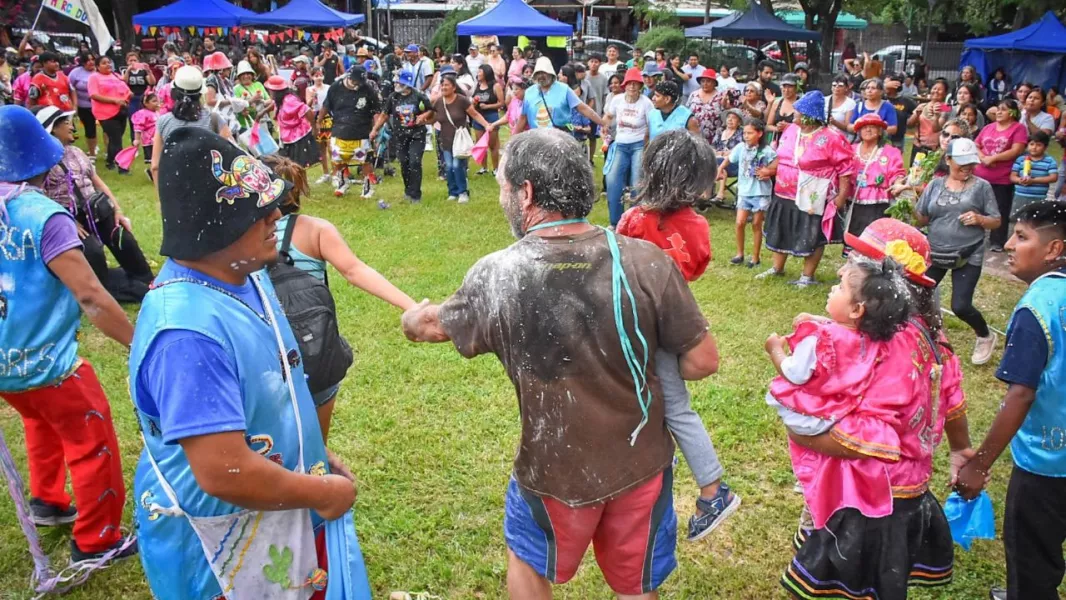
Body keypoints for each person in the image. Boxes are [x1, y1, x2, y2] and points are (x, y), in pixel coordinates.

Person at [401, 127, 721, 599]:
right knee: (637, 586)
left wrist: (412, 318)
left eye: (505, 187)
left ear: (527, 192)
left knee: (529, 565)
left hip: (552, 471)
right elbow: (701, 361)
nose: (503, 197)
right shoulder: (647, 261)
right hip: (642, 466)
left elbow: (430, 327)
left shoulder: (496, 273)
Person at [131, 128, 371, 599]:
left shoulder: (242, 274)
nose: (277, 216)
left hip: (270, 515)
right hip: (219, 548)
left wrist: (311, 458)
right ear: (212, 226)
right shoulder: (186, 336)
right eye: (258, 211)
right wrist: (322, 493)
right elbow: (224, 472)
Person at [783, 218, 971, 600]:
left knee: (857, 582)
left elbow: (878, 437)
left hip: (871, 495)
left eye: (854, 262)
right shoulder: (930, 335)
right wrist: (960, 449)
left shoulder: (892, 347)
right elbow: (952, 397)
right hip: (905, 487)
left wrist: (807, 435)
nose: (840, 268)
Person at [0, 105, 137, 564]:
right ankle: (97, 539)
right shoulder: (45, 216)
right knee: (90, 439)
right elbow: (92, 296)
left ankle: (48, 501)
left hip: (6, 366)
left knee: (40, 420)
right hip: (50, 364)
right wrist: (140, 344)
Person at [616, 129, 740, 540]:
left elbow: (614, 264)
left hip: (634, 325)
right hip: (675, 323)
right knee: (671, 405)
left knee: (657, 404)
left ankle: (713, 487)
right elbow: (699, 265)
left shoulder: (635, 219)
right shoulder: (700, 225)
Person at [953, 201, 1066, 600]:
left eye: (1022, 237)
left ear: (1054, 250)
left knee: (1033, 557)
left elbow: (1020, 393)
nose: (1011, 246)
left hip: (1047, 466)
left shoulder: (1038, 307)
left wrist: (978, 464)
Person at [263, 154, 415, 432]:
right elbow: (355, 271)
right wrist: (411, 305)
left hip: (264, 352)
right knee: (316, 449)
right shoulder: (315, 230)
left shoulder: (242, 237)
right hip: (314, 349)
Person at [766, 255, 911, 530]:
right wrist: (818, 319)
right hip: (842, 413)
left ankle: (805, 484)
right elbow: (844, 329)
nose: (832, 289)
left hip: (810, 415)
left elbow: (795, 373)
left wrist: (775, 350)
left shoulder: (818, 340)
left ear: (856, 309)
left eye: (840, 287)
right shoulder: (873, 338)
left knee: (800, 441)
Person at [915, 137, 1002, 364]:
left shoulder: (982, 187)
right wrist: (908, 197)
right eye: (961, 163)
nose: (967, 168)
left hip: (968, 253)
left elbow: (996, 221)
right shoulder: (934, 185)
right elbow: (922, 218)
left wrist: (980, 218)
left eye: (971, 163)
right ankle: (927, 334)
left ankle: (985, 335)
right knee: (918, 295)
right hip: (936, 251)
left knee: (960, 305)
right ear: (948, 159)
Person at [758, 90, 854, 286]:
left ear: (810, 117)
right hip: (784, 191)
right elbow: (782, 155)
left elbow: (846, 169)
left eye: (798, 113)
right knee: (781, 228)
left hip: (813, 195)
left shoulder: (831, 138)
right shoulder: (791, 130)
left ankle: (806, 276)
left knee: (811, 233)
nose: (794, 117)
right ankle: (777, 268)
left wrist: (842, 196)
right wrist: (769, 170)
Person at [150, 66, 230, 186]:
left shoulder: (163, 122)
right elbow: (229, 155)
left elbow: (156, 166)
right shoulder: (214, 120)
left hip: (176, 189)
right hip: (209, 187)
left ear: (174, 92)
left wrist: (162, 199)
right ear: (200, 93)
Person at [718, 118, 777, 267]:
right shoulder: (740, 148)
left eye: (750, 133)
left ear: (759, 133)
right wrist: (720, 169)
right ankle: (740, 253)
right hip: (744, 191)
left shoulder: (767, 150)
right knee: (739, 222)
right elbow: (729, 159)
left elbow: (778, 164)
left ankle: (755, 257)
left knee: (757, 224)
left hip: (760, 192)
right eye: (744, 133)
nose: (746, 136)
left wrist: (768, 171)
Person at [320, 65, 382, 199]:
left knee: (365, 160)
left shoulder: (368, 89)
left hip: (362, 130)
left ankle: (368, 187)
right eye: (356, 82)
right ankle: (343, 182)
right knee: (339, 158)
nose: (358, 84)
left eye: (360, 82)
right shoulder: (335, 87)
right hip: (339, 129)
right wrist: (318, 121)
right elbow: (326, 105)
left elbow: (376, 110)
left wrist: (375, 128)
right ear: (349, 77)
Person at [602, 67, 654, 227]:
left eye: (635, 84)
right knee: (612, 181)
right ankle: (615, 222)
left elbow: (651, 125)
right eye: (629, 84)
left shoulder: (646, 103)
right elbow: (609, 116)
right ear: (625, 85)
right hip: (620, 143)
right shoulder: (617, 100)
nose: (632, 87)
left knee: (636, 183)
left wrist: (647, 146)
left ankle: (634, 222)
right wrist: (604, 127)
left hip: (639, 144)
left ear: (640, 86)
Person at [975, 98, 1028, 251]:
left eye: (1003, 109)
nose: (999, 111)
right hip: (980, 174)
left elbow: (1016, 150)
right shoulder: (988, 127)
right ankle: (974, 237)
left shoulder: (1018, 128)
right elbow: (976, 144)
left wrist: (994, 158)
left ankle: (997, 241)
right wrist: (983, 157)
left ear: (1013, 112)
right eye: (998, 108)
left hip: (1002, 178)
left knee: (999, 210)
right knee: (976, 206)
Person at [433, 73, 495, 204]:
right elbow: (433, 117)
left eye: (446, 85)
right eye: (442, 85)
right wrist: (419, 121)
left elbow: (475, 114)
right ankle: (452, 191)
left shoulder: (461, 100)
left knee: (456, 165)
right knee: (448, 167)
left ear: (453, 87)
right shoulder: (438, 102)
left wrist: (486, 125)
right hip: (446, 139)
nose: (443, 87)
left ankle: (462, 192)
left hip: (460, 140)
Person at [847, 113, 906, 248]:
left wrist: (898, 183)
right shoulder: (850, 150)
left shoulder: (890, 152)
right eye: (864, 127)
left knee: (874, 241)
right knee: (853, 237)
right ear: (859, 131)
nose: (868, 130)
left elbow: (897, 173)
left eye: (873, 127)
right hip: (852, 202)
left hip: (878, 205)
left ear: (880, 131)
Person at [380, 70, 434, 204]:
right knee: (404, 162)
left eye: (399, 82)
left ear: (406, 83)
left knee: (414, 162)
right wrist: (375, 129)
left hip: (417, 135)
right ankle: (408, 190)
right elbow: (384, 114)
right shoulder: (393, 97)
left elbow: (431, 110)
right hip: (400, 136)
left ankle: (416, 194)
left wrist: (423, 116)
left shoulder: (419, 96)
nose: (396, 84)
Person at [515, 57, 602, 133]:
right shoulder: (529, 92)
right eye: (538, 73)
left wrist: (602, 123)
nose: (541, 76)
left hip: (560, 140)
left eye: (543, 73)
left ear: (550, 73)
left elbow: (583, 108)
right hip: (537, 140)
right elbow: (523, 117)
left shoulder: (564, 89)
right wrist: (512, 142)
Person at [87, 57, 131, 173]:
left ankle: (110, 161)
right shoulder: (94, 77)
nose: (108, 65)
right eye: (104, 63)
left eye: (109, 62)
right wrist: (114, 100)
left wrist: (128, 95)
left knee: (116, 138)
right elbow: (94, 95)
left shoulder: (115, 75)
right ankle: (123, 167)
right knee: (116, 140)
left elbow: (126, 90)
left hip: (121, 111)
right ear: (97, 66)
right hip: (105, 113)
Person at [267, 76, 318, 168]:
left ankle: (301, 182)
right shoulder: (279, 100)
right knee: (287, 167)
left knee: (296, 167)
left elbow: (307, 110)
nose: (269, 92)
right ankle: (295, 182)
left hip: (297, 138)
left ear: (276, 91)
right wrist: (262, 113)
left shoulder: (289, 100)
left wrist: (314, 127)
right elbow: (273, 105)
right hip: (287, 137)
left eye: (270, 90)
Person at [1009, 131, 1058, 217]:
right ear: (1027, 145)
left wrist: (1034, 180)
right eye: (1032, 144)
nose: (1034, 147)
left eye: (1039, 145)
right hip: (1020, 195)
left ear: (1045, 147)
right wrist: (1020, 180)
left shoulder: (1049, 161)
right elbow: (1013, 176)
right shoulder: (1021, 159)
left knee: (1036, 221)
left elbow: (1053, 177)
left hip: (1039, 197)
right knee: (1018, 219)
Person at [909, 79, 952, 166]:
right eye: (934, 88)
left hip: (935, 150)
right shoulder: (922, 106)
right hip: (919, 147)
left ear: (945, 93)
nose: (936, 91)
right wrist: (916, 115)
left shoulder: (946, 108)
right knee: (914, 175)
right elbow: (909, 124)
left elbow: (936, 128)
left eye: (939, 89)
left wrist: (936, 116)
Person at [472, 64, 504, 175]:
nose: (478, 73)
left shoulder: (496, 86)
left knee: (492, 144)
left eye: (480, 71)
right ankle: (483, 168)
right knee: (480, 143)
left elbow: (501, 103)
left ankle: (496, 168)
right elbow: (473, 99)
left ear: (486, 73)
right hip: (478, 117)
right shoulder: (478, 85)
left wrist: (488, 106)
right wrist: (474, 102)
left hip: (491, 116)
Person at [688, 70, 730, 146]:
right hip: (694, 136)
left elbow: (727, 116)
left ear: (714, 83)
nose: (705, 84)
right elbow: (687, 113)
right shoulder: (694, 95)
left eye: (708, 81)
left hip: (714, 137)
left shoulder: (721, 97)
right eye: (703, 81)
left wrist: (726, 106)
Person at [67, 52, 97, 159]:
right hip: (83, 106)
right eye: (88, 60)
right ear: (83, 62)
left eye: (92, 59)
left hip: (100, 106)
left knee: (107, 129)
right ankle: (92, 153)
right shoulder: (75, 73)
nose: (91, 62)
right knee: (90, 129)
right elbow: (69, 87)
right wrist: (73, 104)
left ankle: (108, 152)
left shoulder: (99, 71)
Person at [121, 50, 155, 143]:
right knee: (133, 121)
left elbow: (152, 82)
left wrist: (149, 71)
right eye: (130, 60)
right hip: (132, 98)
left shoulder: (143, 71)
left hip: (142, 98)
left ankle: (148, 140)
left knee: (147, 120)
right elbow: (124, 82)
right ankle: (134, 141)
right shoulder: (125, 71)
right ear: (127, 62)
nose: (133, 63)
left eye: (135, 60)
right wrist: (128, 70)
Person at [884, 74, 917, 150]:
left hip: (898, 140)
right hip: (880, 137)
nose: (885, 85)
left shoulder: (905, 101)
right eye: (884, 84)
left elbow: (920, 108)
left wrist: (914, 117)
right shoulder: (880, 98)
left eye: (887, 83)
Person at [766, 73, 799, 144]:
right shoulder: (777, 103)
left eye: (790, 87)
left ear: (796, 87)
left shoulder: (801, 104)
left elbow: (806, 127)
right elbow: (768, 126)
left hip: (794, 142)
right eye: (784, 86)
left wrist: (789, 127)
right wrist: (777, 129)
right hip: (777, 141)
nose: (786, 90)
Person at [130, 92, 160, 169]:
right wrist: (137, 139)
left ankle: (157, 173)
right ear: (146, 103)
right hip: (149, 141)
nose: (157, 103)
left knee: (160, 158)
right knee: (153, 160)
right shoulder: (143, 114)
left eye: (157, 100)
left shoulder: (157, 112)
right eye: (154, 101)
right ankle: (153, 172)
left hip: (158, 140)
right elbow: (138, 127)